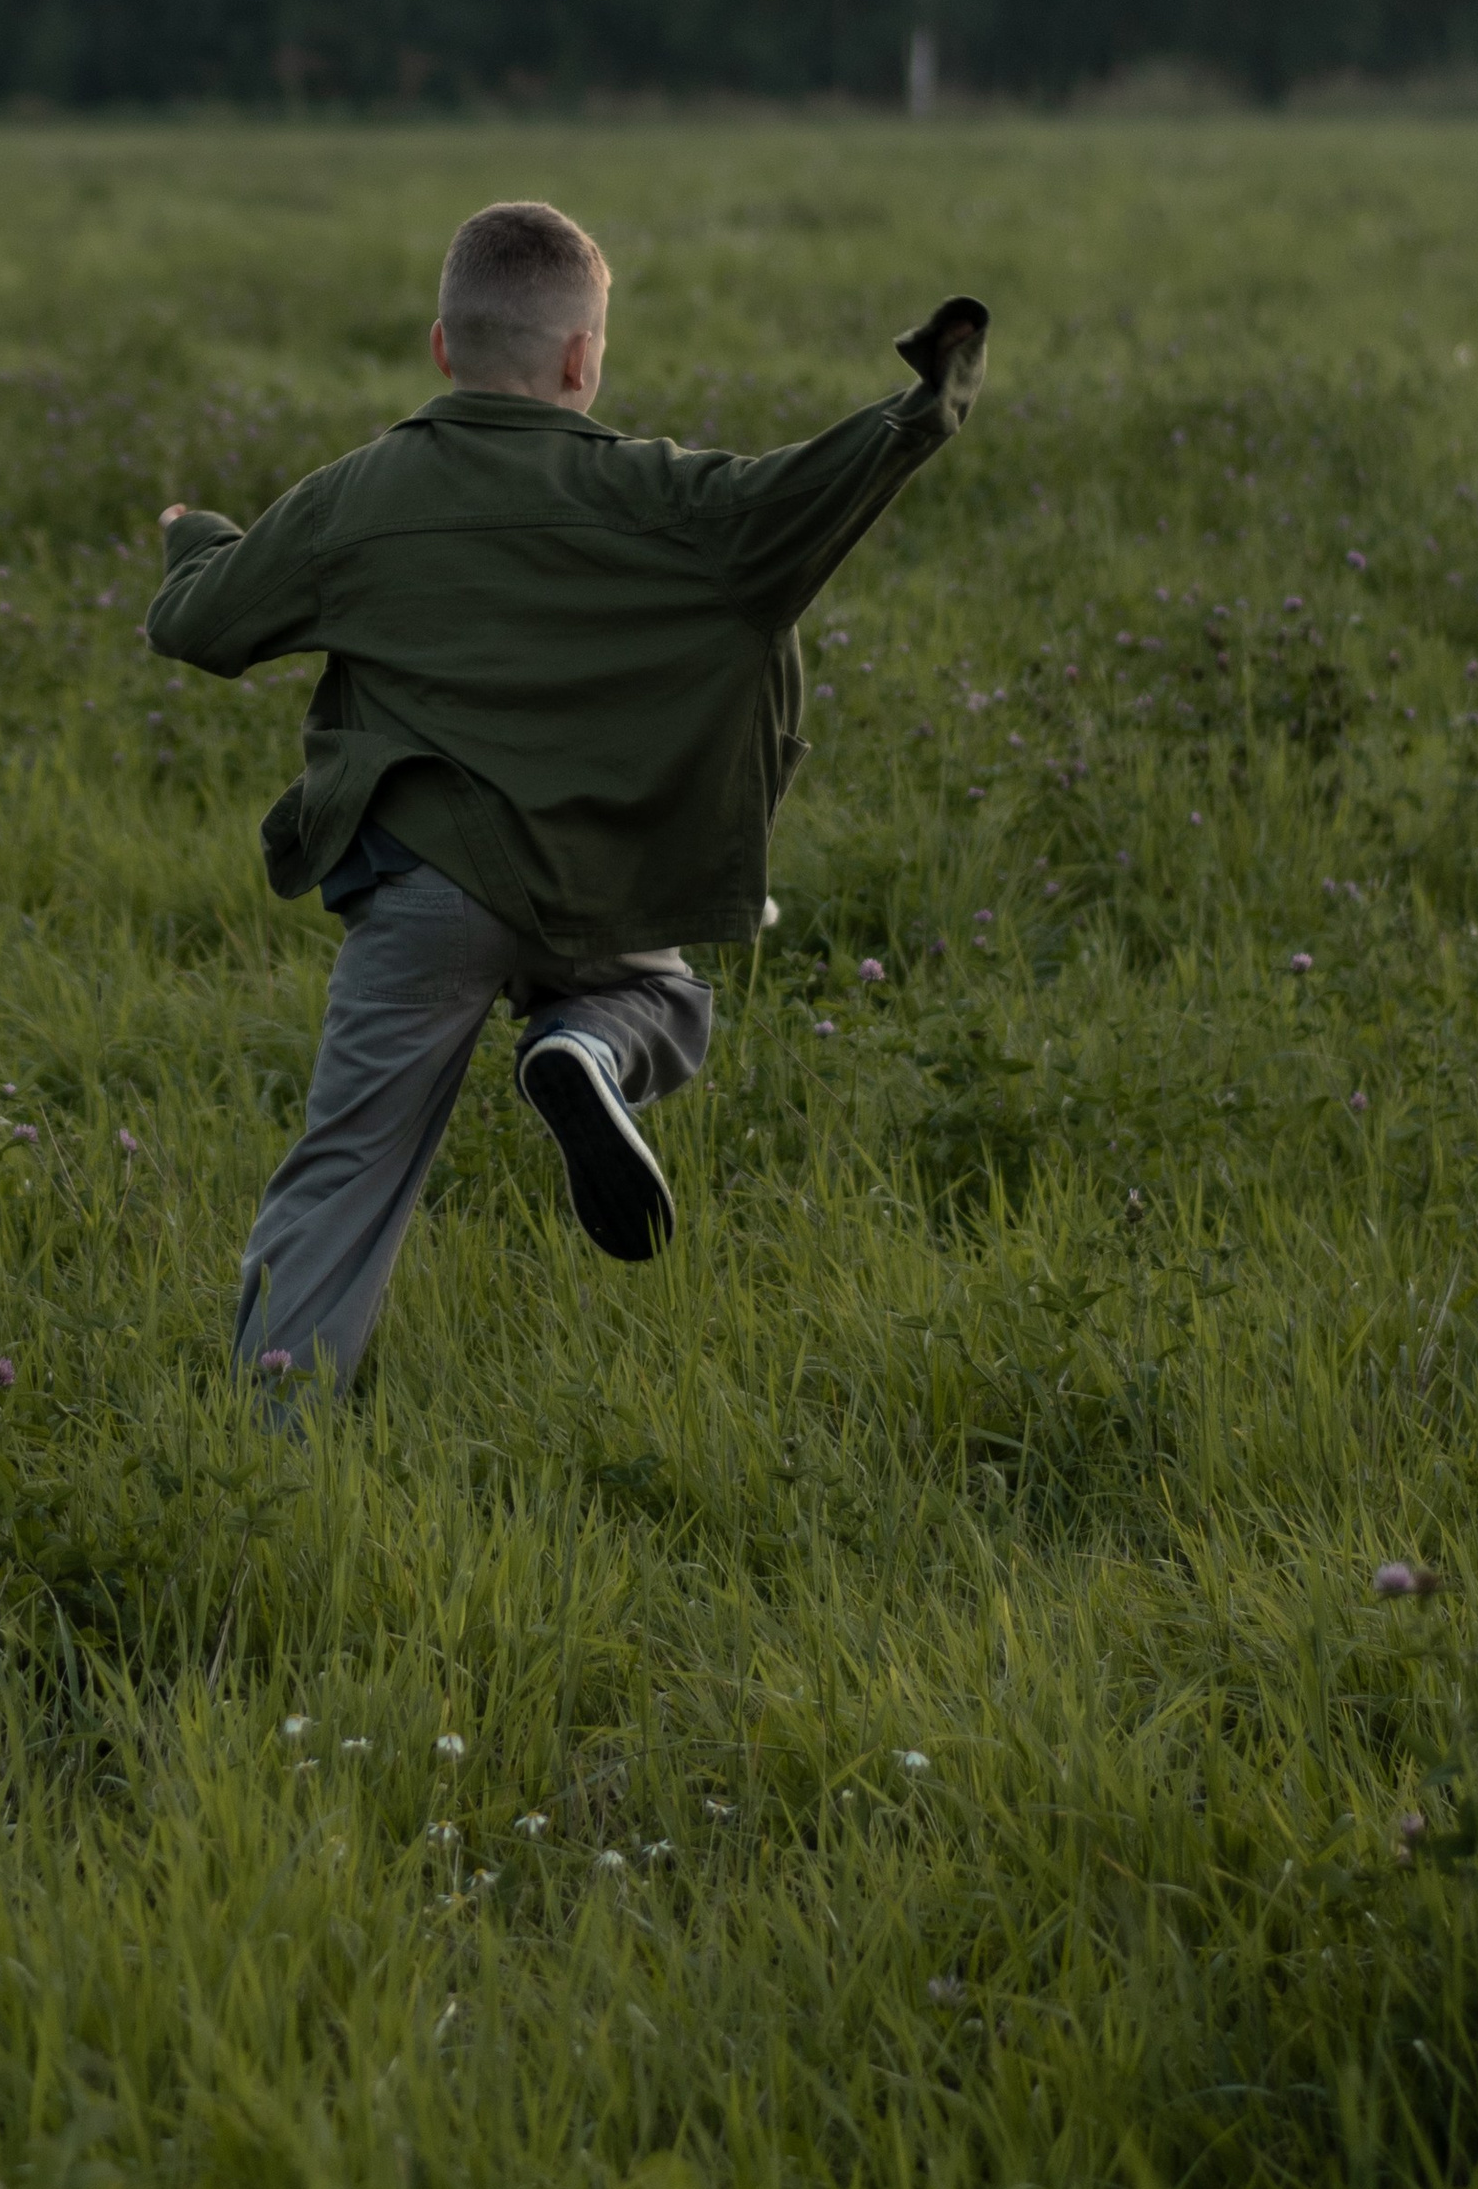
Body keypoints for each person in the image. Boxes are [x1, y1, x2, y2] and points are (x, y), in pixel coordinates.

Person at [147, 198, 988, 1395]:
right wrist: (925, 403)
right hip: (599, 883)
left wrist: (196, 537)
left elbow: (203, 627)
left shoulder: (354, 496)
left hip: (426, 882)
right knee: (665, 1005)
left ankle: (269, 1442)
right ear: (582, 357)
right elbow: (799, 496)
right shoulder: (660, 493)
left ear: (443, 347)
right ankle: (585, 1046)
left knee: (345, 1169)